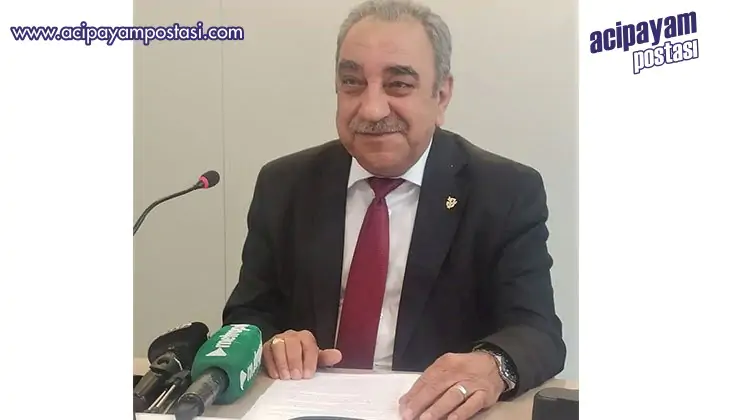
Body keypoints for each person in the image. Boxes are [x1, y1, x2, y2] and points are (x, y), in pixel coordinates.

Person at [222, 0, 566, 418]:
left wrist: (495, 365)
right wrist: (274, 342)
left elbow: (538, 333)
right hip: (305, 408)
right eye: (352, 82)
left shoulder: (504, 191)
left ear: (441, 96)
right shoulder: (286, 184)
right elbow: (247, 315)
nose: (371, 109)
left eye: (398, 85)